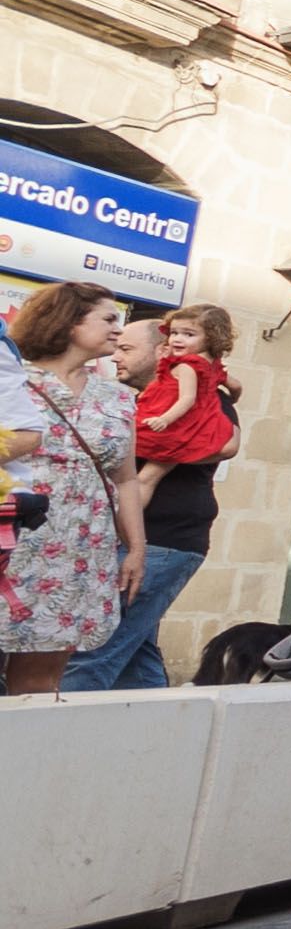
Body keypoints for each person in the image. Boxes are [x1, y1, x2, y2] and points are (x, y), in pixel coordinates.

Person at [63, 319, 230, 692]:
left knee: (93, 651)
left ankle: (52, 741)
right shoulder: (138, 400)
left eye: (126, 349)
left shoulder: (204, 395)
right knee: (136, 656)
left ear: (160, 352)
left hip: (160, 543)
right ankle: (163, 739)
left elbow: (230, 441)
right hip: (139, 541)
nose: (116, 358)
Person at [2, 284, 143, 694]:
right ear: (68, 320)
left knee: (41, 680)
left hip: (80, 550)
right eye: (109, 318)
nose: (119, 330)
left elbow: (126, 478)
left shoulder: (118, 398)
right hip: (15, 538)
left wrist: (134, 547)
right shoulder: (13, 377)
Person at [130, 302, 235, 505]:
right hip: (199, 423)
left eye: (188, 334)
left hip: (180, 427)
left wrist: (164, 419)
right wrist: (234, 396)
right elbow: (235, 385)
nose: (177, 339)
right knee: (145, 478)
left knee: (145, 479)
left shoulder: (187, 366)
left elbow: (187, 399)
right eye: (174, 333)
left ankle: (126, 524)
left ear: (211, 337)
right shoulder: (213, 366)